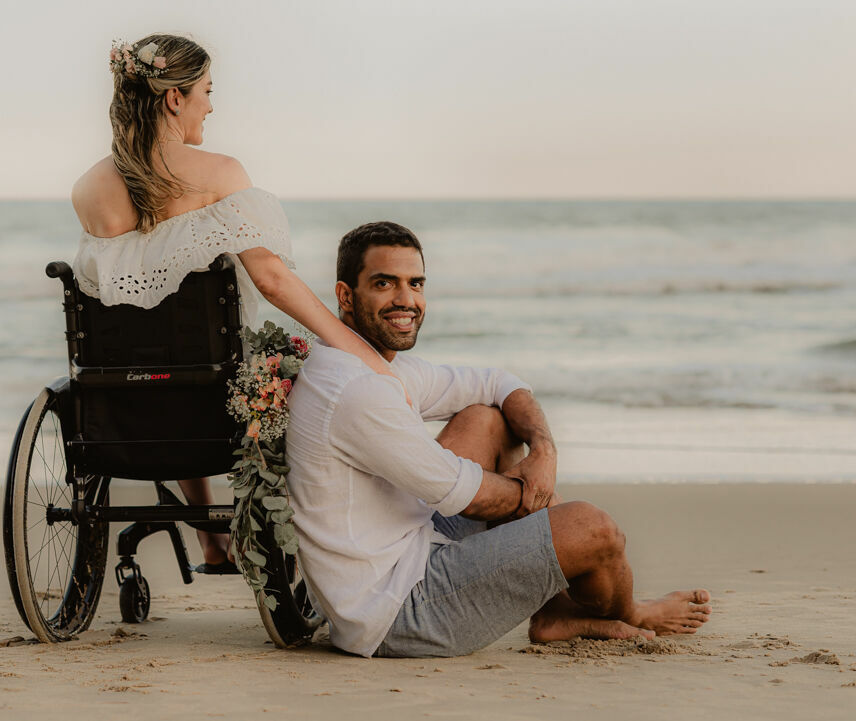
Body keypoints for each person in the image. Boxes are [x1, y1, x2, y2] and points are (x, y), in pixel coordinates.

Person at [284, 221, 712, 657]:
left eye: (415, 283)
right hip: (394, 611)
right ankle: (631, 613)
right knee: (595, 530)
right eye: (384, 283)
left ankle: (555, 612)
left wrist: (544, 450)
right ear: (344, 296)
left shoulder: (369, 363)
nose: (406, 300)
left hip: (406, 545)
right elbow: (470, 499)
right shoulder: (357, 390)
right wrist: (545, 501)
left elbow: (498, 382)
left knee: (487, 419)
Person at [69, 34, 403, 573]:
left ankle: (210, 543)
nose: (212, 103)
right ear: (175, 98)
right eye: (206, 90)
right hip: (212, 393)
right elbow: (271, 278)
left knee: (170, 356)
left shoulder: (89, 188)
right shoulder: (220, 173)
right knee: (254, 361)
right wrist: (354, 348)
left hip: (125, 400)